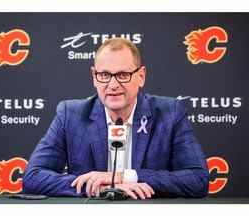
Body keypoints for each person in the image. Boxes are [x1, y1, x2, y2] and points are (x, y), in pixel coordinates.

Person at [23, 37, 209, 199]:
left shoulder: (170, 113)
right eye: (104, 75)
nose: (113, 84)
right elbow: (33, 177)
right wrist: (102, 188)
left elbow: (197, 179)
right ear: (94, 77)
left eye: (123, 75)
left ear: (141, 76)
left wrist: (125, 177)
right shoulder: (70, 114)